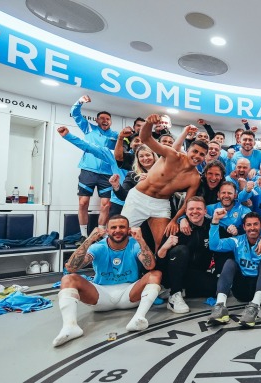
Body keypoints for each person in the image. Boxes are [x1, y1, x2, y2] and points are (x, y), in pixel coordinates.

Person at [52, 215, 161, 347]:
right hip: (101, 296)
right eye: (113, 227)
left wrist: (141, 240)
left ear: (128, 230)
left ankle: (138, 318)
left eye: (122, 227)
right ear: (107, 231)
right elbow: (71, 267)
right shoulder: (99, 247)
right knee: (68, 279)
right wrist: (89, 239)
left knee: (155, 274)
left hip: (129, 294)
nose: (118, 230)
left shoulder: (135, 244)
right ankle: (70, 326)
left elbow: (150, 266)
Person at [120, 114, 208, 251]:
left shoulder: (195, 178)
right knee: (121, 234)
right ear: (188, 150)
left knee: (163, 243)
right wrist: (149, 123)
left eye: (202, 154)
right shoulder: (172, 155)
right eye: (195, 151)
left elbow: (187, 202)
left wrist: (175, 220)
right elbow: (145, 138)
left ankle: (157, 271)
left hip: (160, 205)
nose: (197, 156)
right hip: (139, 198)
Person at [206, 211, 261, 327]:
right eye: (249, 225)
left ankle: (254, 307)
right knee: (230, 262)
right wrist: (215, 221)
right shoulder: (237, 241)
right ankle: (220, 306)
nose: (252, 228)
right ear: (244, 227)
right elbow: (214, 245)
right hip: (241, 291)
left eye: (255, 224)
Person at [70, 95, 119, 245]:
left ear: (111, 122)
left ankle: (101, 234)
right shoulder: (89, 128)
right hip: (88, 171)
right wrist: (80, 101)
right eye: (102, 118)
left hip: (107, 174)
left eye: (108, 119)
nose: (105, 121)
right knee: (83, 202)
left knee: (106, 205)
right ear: (97, 120)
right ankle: (83, 235)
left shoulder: (116, 136)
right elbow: (75, 113)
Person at [157, 197, 216, 314]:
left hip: (193, 274)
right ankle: (174, 295)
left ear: (205, 211)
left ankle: (179, 291)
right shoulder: (174, 228)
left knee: (217, 287)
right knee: (181, 250)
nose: (195, 212)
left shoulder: (212, 227)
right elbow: (158, 262)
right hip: (172, 273)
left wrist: (231, 229)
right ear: (186, 211)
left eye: (199, 209)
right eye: (191, 209)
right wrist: (165, 247)